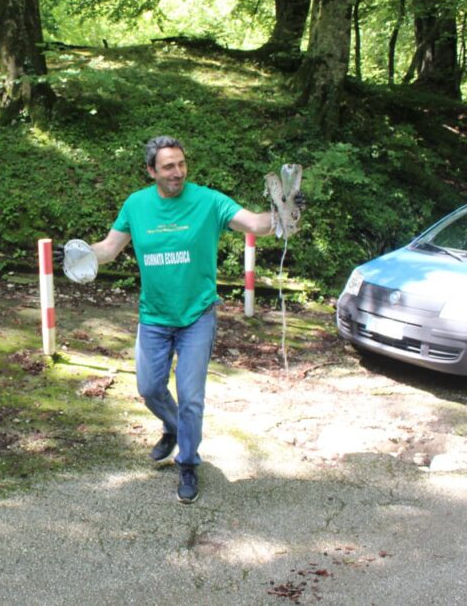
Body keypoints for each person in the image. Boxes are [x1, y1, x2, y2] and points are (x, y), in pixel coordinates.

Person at [58, 135, 303, 504]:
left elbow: (255, 223)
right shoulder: (137, 205)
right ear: (151, 171)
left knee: (191, 397)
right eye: (168, 166)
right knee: (150, 389)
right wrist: (78, 253)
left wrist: (287, 212)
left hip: (196, 316)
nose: (177, 172)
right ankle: (174, 429)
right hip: (154, 316)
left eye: (181, 164)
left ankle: (188, 461)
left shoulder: (208, 200)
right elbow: (108, 249)